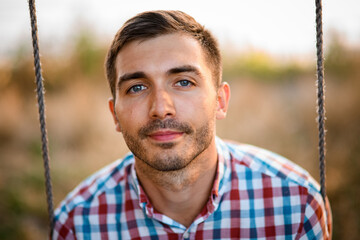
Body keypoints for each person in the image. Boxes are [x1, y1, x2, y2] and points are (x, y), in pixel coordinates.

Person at [53, 10, 332, 239]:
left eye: (184, 82)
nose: (161, 108)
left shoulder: (296, 205)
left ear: (220, 101)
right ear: (115, 114)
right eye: (137, 87)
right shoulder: (77, 224)